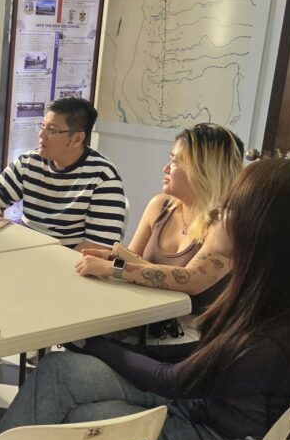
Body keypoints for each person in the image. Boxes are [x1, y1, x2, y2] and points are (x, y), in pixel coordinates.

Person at [0, 158, 290, 440]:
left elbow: (174, 380)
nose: (217, 214)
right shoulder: (271, 296)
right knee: (61, 370)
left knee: (78, 421)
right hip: (202, 413)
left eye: (230, 209)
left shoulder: (274, 338)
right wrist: (95, 345)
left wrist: (93, 343)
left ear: (265, 231)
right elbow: (192, 358)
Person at [75, 123, 244, 339]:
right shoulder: (160, 205)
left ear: (204, 169)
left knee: (82, 343)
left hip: (188, 336)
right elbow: (133, 262)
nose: (166, 168)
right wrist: (112, 256)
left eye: (176, 161)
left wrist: (113, 267)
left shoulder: (226, 223)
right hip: (144, 322)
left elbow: (190, 280)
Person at [0, 97, 125, 251]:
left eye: (52, 130)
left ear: (77, 139)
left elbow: (99, 246)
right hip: (27, 249)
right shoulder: (30, 161)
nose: (42, 135)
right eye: (42, 126)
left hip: (66, 262)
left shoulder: (103, 177)